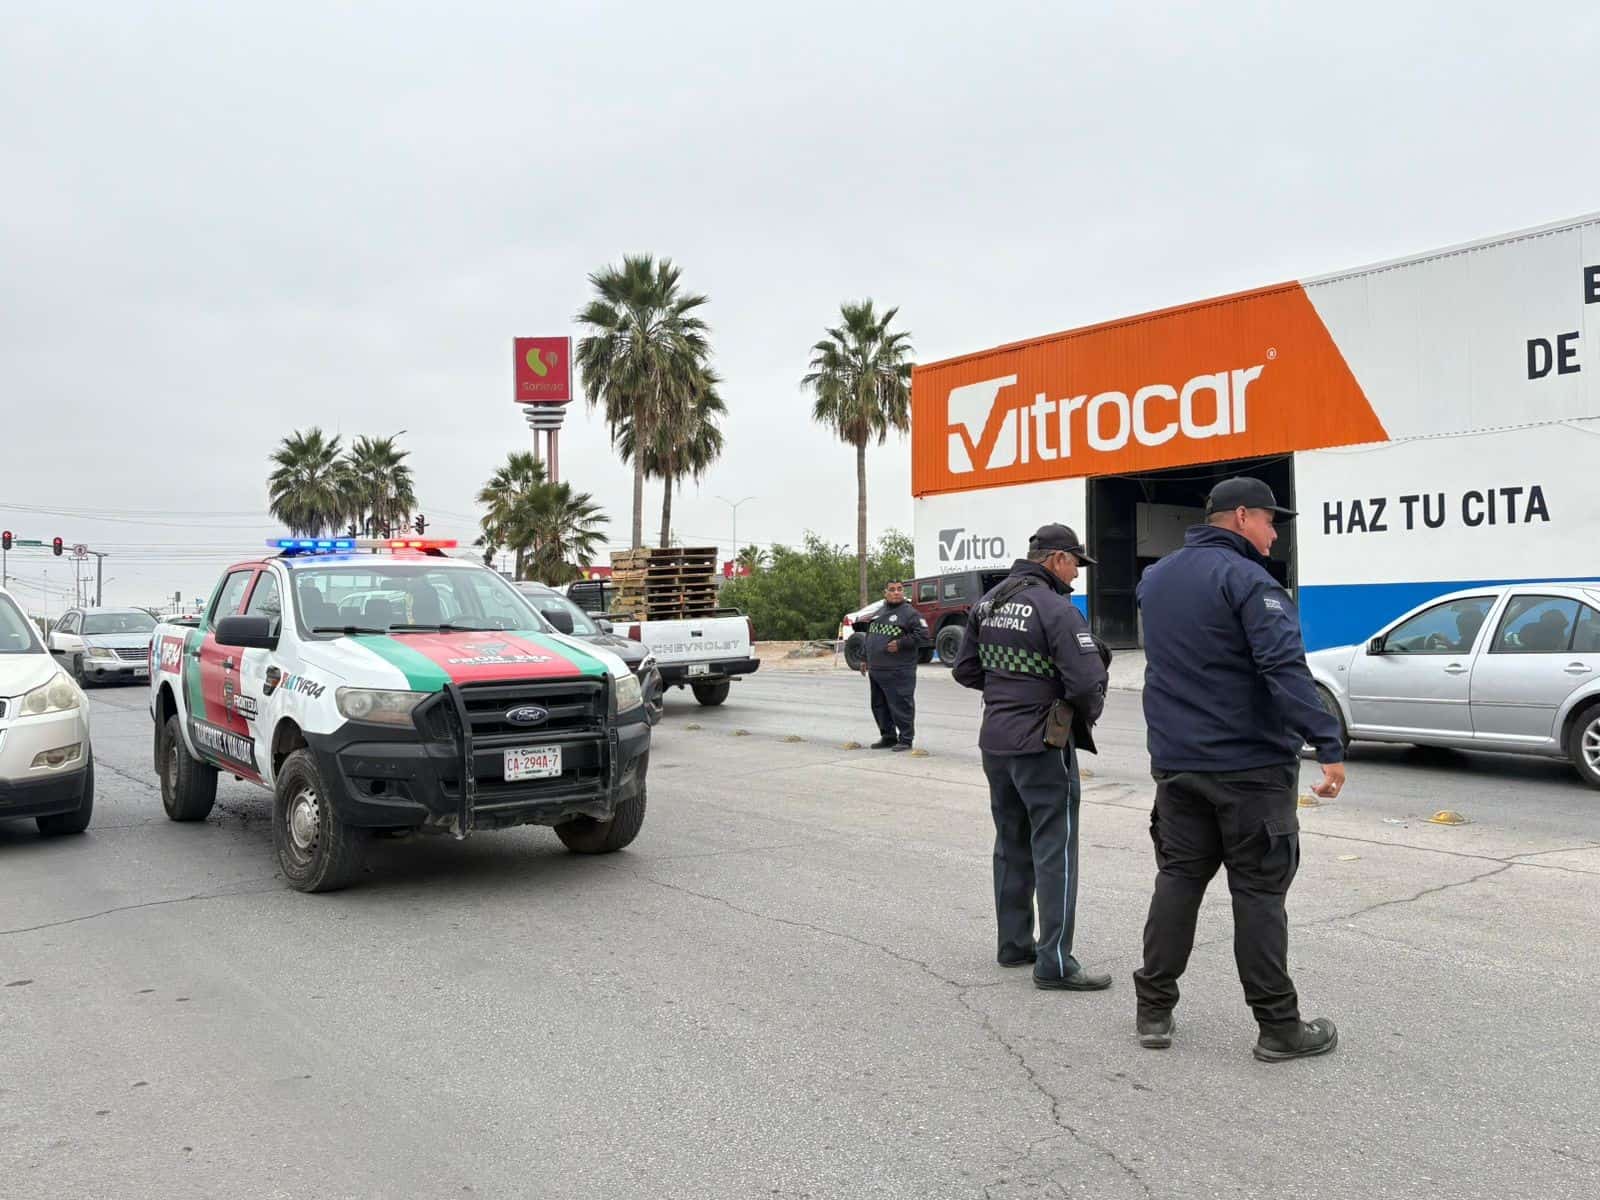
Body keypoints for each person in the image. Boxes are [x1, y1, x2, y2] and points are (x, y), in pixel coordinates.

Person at [1133, 476, 1346, 1062]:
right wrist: (1327, 742)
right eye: (1271, 521)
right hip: (1249, 767)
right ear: (1242, 515)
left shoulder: (1156, 578)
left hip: (1177, 763)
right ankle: (1278, 1028)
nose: (1275, 535)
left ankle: (1153, 1011)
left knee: (1178, 881)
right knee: (1258, 894)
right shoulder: (1250, 580)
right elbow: (1284, 668)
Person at [953, 524, 1112, 990]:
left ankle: (1013, 945)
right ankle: (1055, 963)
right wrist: (1072, 708)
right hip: (1042, 743)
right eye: (1075, 564)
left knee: (1011, 843)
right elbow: (1086, 683)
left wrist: (1010, 691)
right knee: (1054, 848)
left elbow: (965, 669)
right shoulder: (1055, 609)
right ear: (1057, 559)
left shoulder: (988, 602)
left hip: (996, 741)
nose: (1076, 576)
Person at [855, 581, 931, 751]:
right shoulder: (879, 612)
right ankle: (888, 737)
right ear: (885, 593)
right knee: (879, 706)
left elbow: (924, 635)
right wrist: (864, 658)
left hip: (899, 670)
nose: (896, 592)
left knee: (901, 705)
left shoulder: (910, 614)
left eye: (899, 589)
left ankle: (906, 739)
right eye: (892, 589)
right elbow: (870, 636)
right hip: (877, 670)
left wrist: (901, 643)